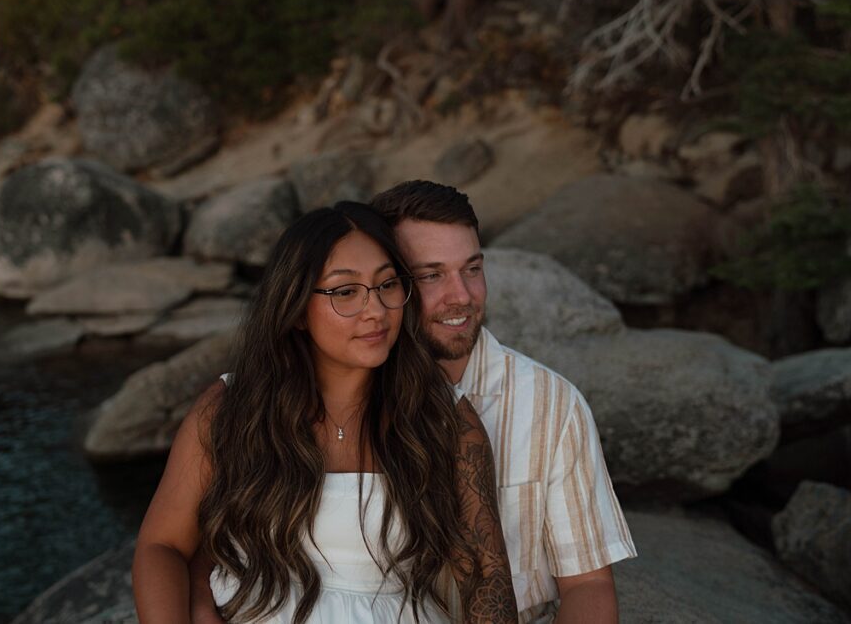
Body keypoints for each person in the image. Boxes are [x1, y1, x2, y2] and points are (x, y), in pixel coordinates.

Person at [133, 202, 518, 623]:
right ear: (297, 308)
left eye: (387, 284)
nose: (375, 309)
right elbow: (162, 547)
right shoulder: (233, 409)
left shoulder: (444, 420)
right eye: (345, 291)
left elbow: (487, 581)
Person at [370, 181, 636, 623]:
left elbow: (587, 584)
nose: (462, 296)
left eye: (472, 269)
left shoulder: (553, 404)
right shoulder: (347, 397)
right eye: (432, 275)